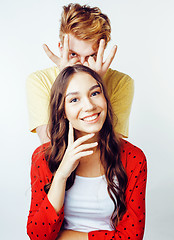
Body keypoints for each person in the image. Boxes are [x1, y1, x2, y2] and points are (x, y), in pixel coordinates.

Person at [27, 65, 147, 240]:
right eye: (74, 100)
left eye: (95, 93)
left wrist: (65, 237)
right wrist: (61, 175)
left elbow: (132, 237)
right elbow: (38, 235)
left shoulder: (133, 158)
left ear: (105, 98)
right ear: (63, 111)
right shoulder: (43, 157)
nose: (89, 106)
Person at [26, 3, 134, 144]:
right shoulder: (39, 80)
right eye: (73, 54)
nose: (81, 65)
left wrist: (96, 83)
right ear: (61, 47)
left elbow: (112, 147)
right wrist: (65, 80)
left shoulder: (122, 82)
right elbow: (48, 145)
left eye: (91, 56)